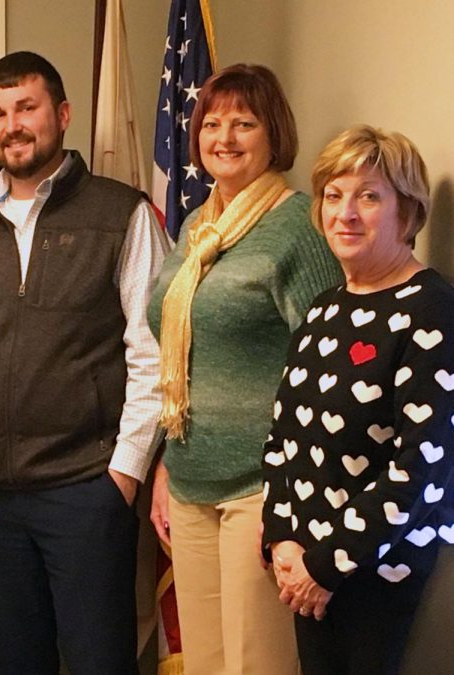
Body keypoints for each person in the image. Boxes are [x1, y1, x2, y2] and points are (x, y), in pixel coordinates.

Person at [0, 51, 169, 675]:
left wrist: (122, 476)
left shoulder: (123, 213)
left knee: (99, 662)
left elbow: (153, 354)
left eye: (27, 108)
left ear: (61, 115)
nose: (12, 125)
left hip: (85, 489)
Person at [147, 64, 343, 675]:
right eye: (212, 123)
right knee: (203, 662)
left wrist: (299, 502)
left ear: (273, 133)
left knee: (256, 665)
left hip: (264, 488)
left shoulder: (297, 226)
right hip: (188, 481)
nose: (224, 137)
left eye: (244, 123)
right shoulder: (199, 229)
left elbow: (324, 372)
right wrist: (163, 465)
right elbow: (179, 361)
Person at [261, 125, 454, 675]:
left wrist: (327, 566)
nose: (346, 212)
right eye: (334, 194)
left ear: (408, 212)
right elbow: (284, 439)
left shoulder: (432, 311)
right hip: (303, 569)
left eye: (369, 195)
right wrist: (282, 541)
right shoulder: (325, 308)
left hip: (377, 572)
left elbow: (420, 467)